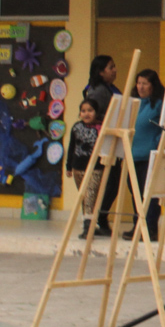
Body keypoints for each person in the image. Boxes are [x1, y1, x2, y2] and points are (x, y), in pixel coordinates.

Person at [85, 55, 123, 235]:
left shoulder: (109, 89)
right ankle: (96, 218)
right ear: (101, 72)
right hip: (102, 142)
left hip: (113, 141)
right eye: (110, 67)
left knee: (112, 183)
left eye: (114, 66)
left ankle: (100, 216)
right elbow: (93, 117)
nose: (115, 70)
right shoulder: (98, 92)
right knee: (105, 183)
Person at [131, 69, 165, 242]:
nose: (140, 87)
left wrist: (157, 142)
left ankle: (150, 228)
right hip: (132, 156)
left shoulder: (159, 104)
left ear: (153, 86)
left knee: (149, 194)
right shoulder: (134, 103)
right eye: (138, 83)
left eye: (145, 83)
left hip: (149, 155)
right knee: (134, 192)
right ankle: (137, 226)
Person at [67, 98, 102, 239]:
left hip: (96, 167)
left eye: (90, 111)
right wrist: (69, 166)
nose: (86, 114)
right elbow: (71, 147)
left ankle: (88, 226)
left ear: (96, 112)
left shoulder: (101, 127)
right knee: (84, 196)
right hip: (78, 167)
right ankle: (90, 223)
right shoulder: (76, 128)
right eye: (83, 111)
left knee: (91, 194)